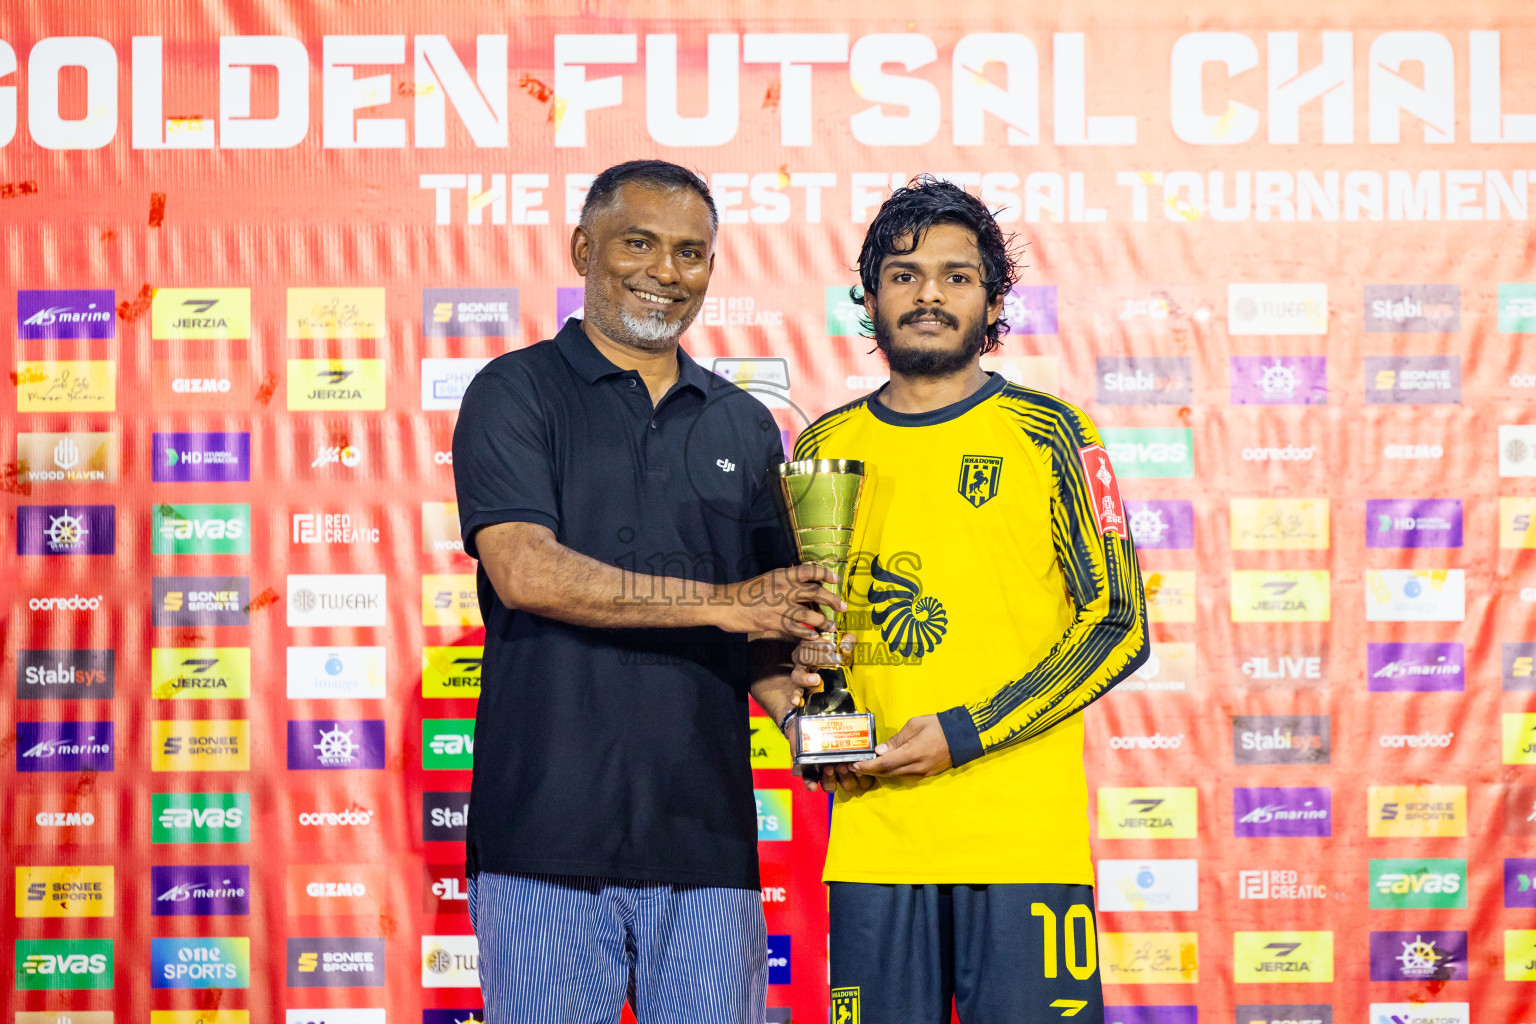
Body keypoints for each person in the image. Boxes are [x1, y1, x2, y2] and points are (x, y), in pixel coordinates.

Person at [452, 159, 834, 1023]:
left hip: (707, 840)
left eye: (692, 254)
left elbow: (767, 637)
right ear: (585, 248)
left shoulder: (741, 421)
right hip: (544, 836)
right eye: (640, 244)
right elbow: (525, 569)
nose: (667, 272)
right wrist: (728, 603)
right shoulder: (515, 391)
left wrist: (821, 731)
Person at [789, 177, 1150, 1023]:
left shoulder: (1052, 433)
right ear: (869, 296)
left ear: (993, 302)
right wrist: (817, 731)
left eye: (956, 276)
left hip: (1021, 839)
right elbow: (805, 636)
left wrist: (965, 733)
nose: (928, 294)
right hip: (876, 845)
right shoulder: (821, 445)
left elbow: (1119, 623)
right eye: (904, 273)